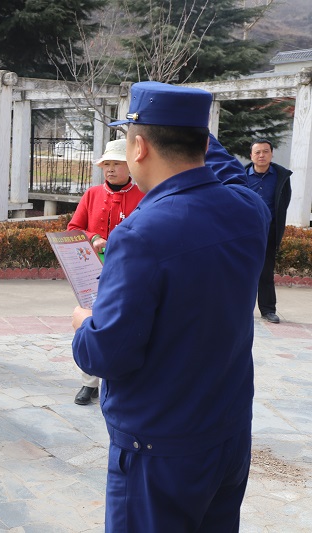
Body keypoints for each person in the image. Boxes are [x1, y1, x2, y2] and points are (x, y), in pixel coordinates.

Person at [72, 81, 270, 531]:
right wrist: (187, 120)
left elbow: (108, 354)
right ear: (200, 139)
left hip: (158, 448)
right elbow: (214, 161)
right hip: (226, 432)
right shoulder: (248, 209)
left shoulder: (141, 234)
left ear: (138, 147)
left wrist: (85, 323)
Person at [66, 138, 145, 405]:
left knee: (125, 323)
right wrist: (94, 237)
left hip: (129, 272)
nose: (110, 169)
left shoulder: (143, 195)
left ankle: (122, 377)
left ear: (130, 166)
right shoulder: (92, 194)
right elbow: (73, 229)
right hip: (92, 271)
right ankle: (89, 382)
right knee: (89, 320)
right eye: (106, 164)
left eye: (116, 164)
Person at [244, 139, 292, 324]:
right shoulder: (241, 176)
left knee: (266, 271)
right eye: (257, 152)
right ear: (251, 155)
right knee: (241, 270)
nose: (261, 155)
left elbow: (283, 204)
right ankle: (241, 309)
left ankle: (268, 309)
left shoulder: (281, 176)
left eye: (265, 151)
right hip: (244, 230)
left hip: (268, 230)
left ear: (271, 154)